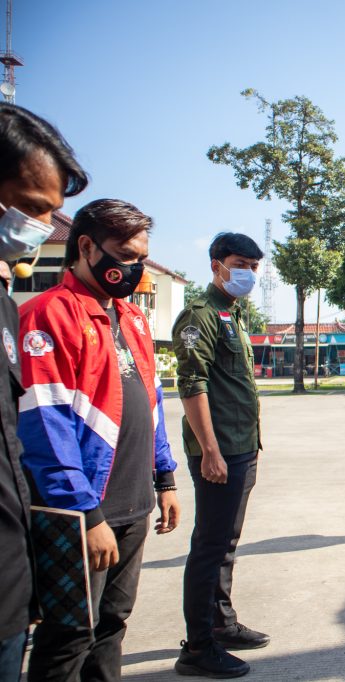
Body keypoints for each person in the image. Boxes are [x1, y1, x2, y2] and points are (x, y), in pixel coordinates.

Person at [18, 199, 179, 681]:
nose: (134, 269)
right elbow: (47, 427)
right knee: (69, 636)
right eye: (125, 256)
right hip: (82, 512)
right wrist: (86, 514)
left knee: (113, 625)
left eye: (141, 259)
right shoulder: (49, 316)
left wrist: (165, 476)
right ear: (86, 247)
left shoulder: (132, 319)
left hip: (133, 504)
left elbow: (150, 401)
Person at [0, 103, 88, 682]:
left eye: (51, 214)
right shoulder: (43, 313)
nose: (38, 228)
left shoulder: (6, 307)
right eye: (31, 209)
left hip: (9, 580)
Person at [172, 233, 265, 679]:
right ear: (216, 265)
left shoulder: (232, 314)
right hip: (220, 451)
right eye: (240, 262)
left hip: (241, 445)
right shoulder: (200, 316)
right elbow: (192, 385)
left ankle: (222, 623)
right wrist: (210, 450)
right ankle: (198, 646)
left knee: (225, 541)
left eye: (254, 264)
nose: (248, 271)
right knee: (209, 546)